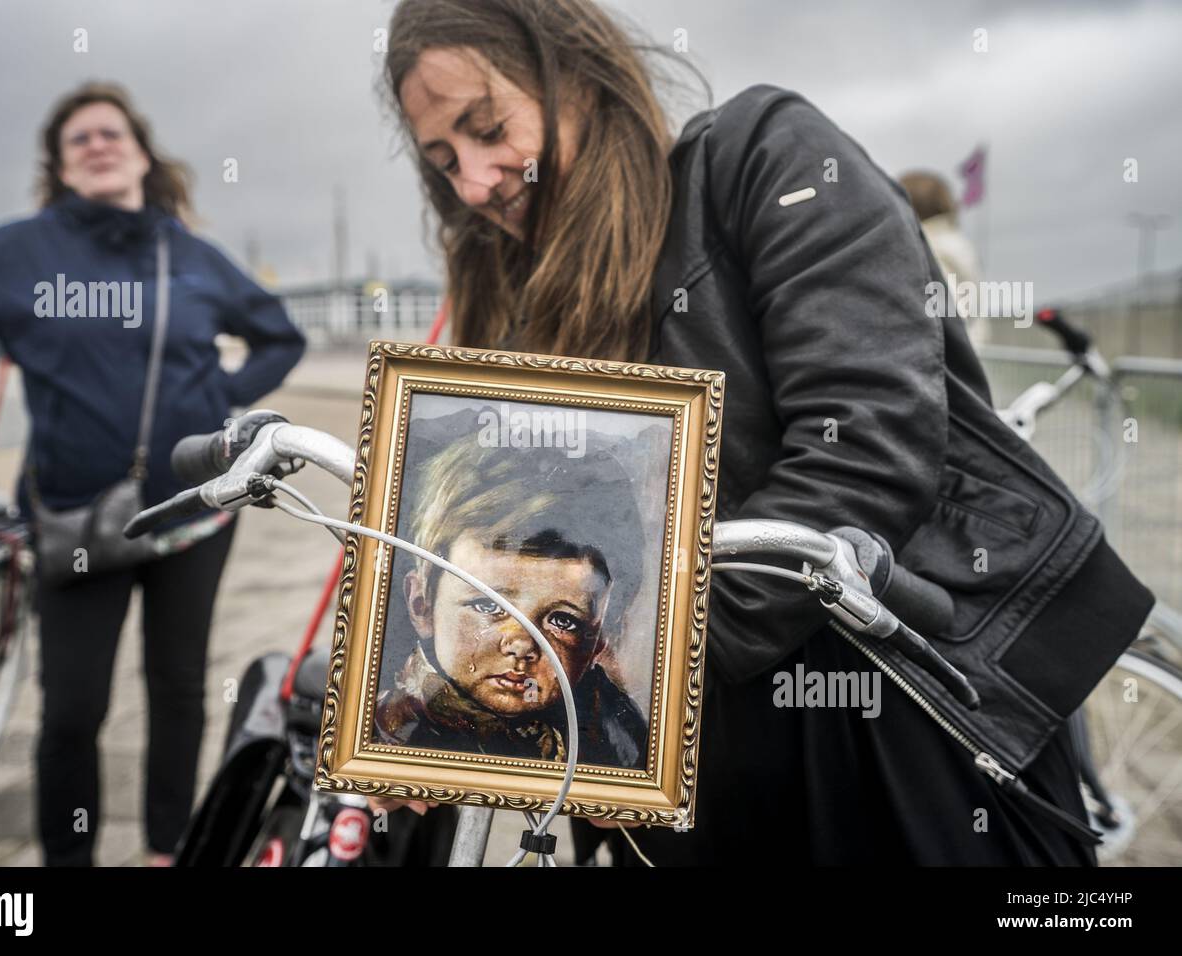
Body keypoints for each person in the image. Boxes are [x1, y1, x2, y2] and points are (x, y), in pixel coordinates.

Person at [373, 0, 1154, 864]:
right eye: (443, 161)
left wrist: (636, 673)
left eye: (488, 127)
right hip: (695, 779)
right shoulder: (515, 296)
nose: (476, 182)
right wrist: (428, 694)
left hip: (892, 724)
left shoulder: (760, 156)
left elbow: (868, 448)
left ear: (578, 76)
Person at [0, 82, 306, 865]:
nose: (98, 143)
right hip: (75, 519)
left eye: (113, 132)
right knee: (73, 710)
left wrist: (222, 402)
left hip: (193, 513)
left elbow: (280, 336)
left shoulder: (190, 256)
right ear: (60, 166)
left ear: (143, 154)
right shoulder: (21, 253)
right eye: (79, 139)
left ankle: (167, 849)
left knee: (180, 691)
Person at [375, 428, 649, 769]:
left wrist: (625, 795)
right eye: (489, 605)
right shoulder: (388, 724)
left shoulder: (617, 736)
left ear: (600, 638)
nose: (521, 644)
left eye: (563, 620)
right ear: (421, 605)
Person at [899, 170, 987, 348]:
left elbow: (948, 313)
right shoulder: (957, 243)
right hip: (969, 353)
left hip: (941, 358)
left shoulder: (929, 247)